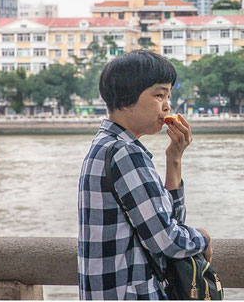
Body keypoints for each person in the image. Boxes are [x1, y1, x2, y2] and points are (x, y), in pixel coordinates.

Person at [78, 50, 212, 300]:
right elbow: (166, 240)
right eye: (158, 94)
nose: (167, 105)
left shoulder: (106, 145)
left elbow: (168, 222)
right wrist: (202, 238)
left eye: (168, 96)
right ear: (127, 98)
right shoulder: (125, 152)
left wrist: (174, 159)